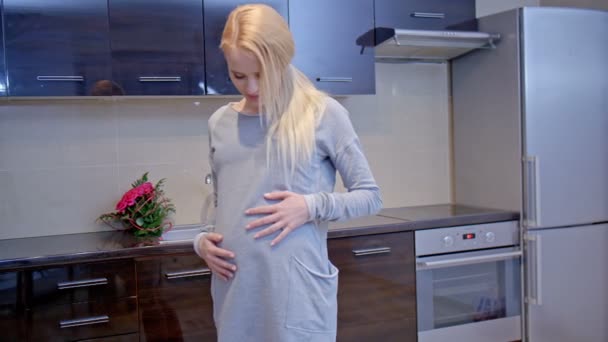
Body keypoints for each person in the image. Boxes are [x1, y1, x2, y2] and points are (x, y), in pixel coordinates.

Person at [193, 4, 382, 341]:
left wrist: (310, 206)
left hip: (295, 296)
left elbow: (370, 196)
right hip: (235, 295)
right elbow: (224, 207)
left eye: (261, 73)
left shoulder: (323, 114)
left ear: (283, 58)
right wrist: (202, 243)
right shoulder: (219, 122)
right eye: (238, 75)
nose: (251, 88)